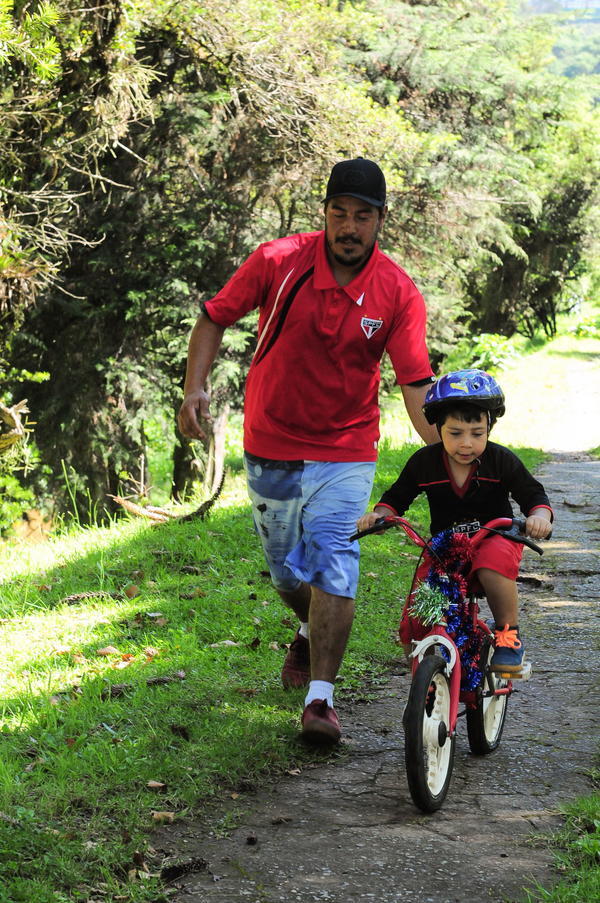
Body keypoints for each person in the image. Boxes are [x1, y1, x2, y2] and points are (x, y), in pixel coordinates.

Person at [177, 157, 439, 744]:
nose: (349, 227)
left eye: (363, 216)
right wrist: (194, 387)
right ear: (324, 212)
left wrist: (449, 452)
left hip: (347, 448)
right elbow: (213, 317)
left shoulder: (396, 292)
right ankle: (306, 630)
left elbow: (416, 384)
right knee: (286, 573)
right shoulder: (278, 261)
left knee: (335, 561)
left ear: (380, 220)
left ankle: (321, 700)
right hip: (271, 441)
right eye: (339, 213)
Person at [356, 368, 553, 674]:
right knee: (422, 599)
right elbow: (398, 497)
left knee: (490, 566)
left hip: (495, 536)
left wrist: (539, 517)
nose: (466, 444)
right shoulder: (425, 463)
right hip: (444, 545)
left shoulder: (500, 460)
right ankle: (424, 664)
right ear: (438, 427)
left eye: (477, 434)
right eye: (455, 433)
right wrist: (380, 516)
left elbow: (533, 495)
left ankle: (507, 636)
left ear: (489, 427)